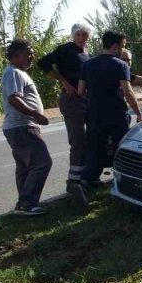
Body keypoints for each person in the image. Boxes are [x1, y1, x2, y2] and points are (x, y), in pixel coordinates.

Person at [71, 31, 142, 207]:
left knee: (95, 151)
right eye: (123, 45)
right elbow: (127, 91)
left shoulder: (88, 65)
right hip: (116, 113)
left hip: (94, 114)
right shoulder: (120, 65)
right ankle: (127, 184)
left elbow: (80, 91)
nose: (122, 49)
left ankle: (83, 183)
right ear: (116, 46)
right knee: (122, 149)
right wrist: (139, 113)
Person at [37, 22, 91, 194]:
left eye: (84, 35)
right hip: (71, 99)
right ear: (73, 35)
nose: (81, 38)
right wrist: (63, 81)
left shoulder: (86, 53)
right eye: (78, 35)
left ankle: (87, 177)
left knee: (89, 139)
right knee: (77, 140)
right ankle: (73, 182)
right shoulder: (65, 50)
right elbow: (43, 63)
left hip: (86, 99)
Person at [1, 39, 52, 215]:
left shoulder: (17, 72)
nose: (32, 56)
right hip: (21, 127)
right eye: (28, 53)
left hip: (19, 127)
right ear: (15, 56)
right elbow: (14, 98)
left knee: (25, 167)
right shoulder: (14, 73)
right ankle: (27, 203)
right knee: (42, 162)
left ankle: (23, 204)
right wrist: (36, 114)